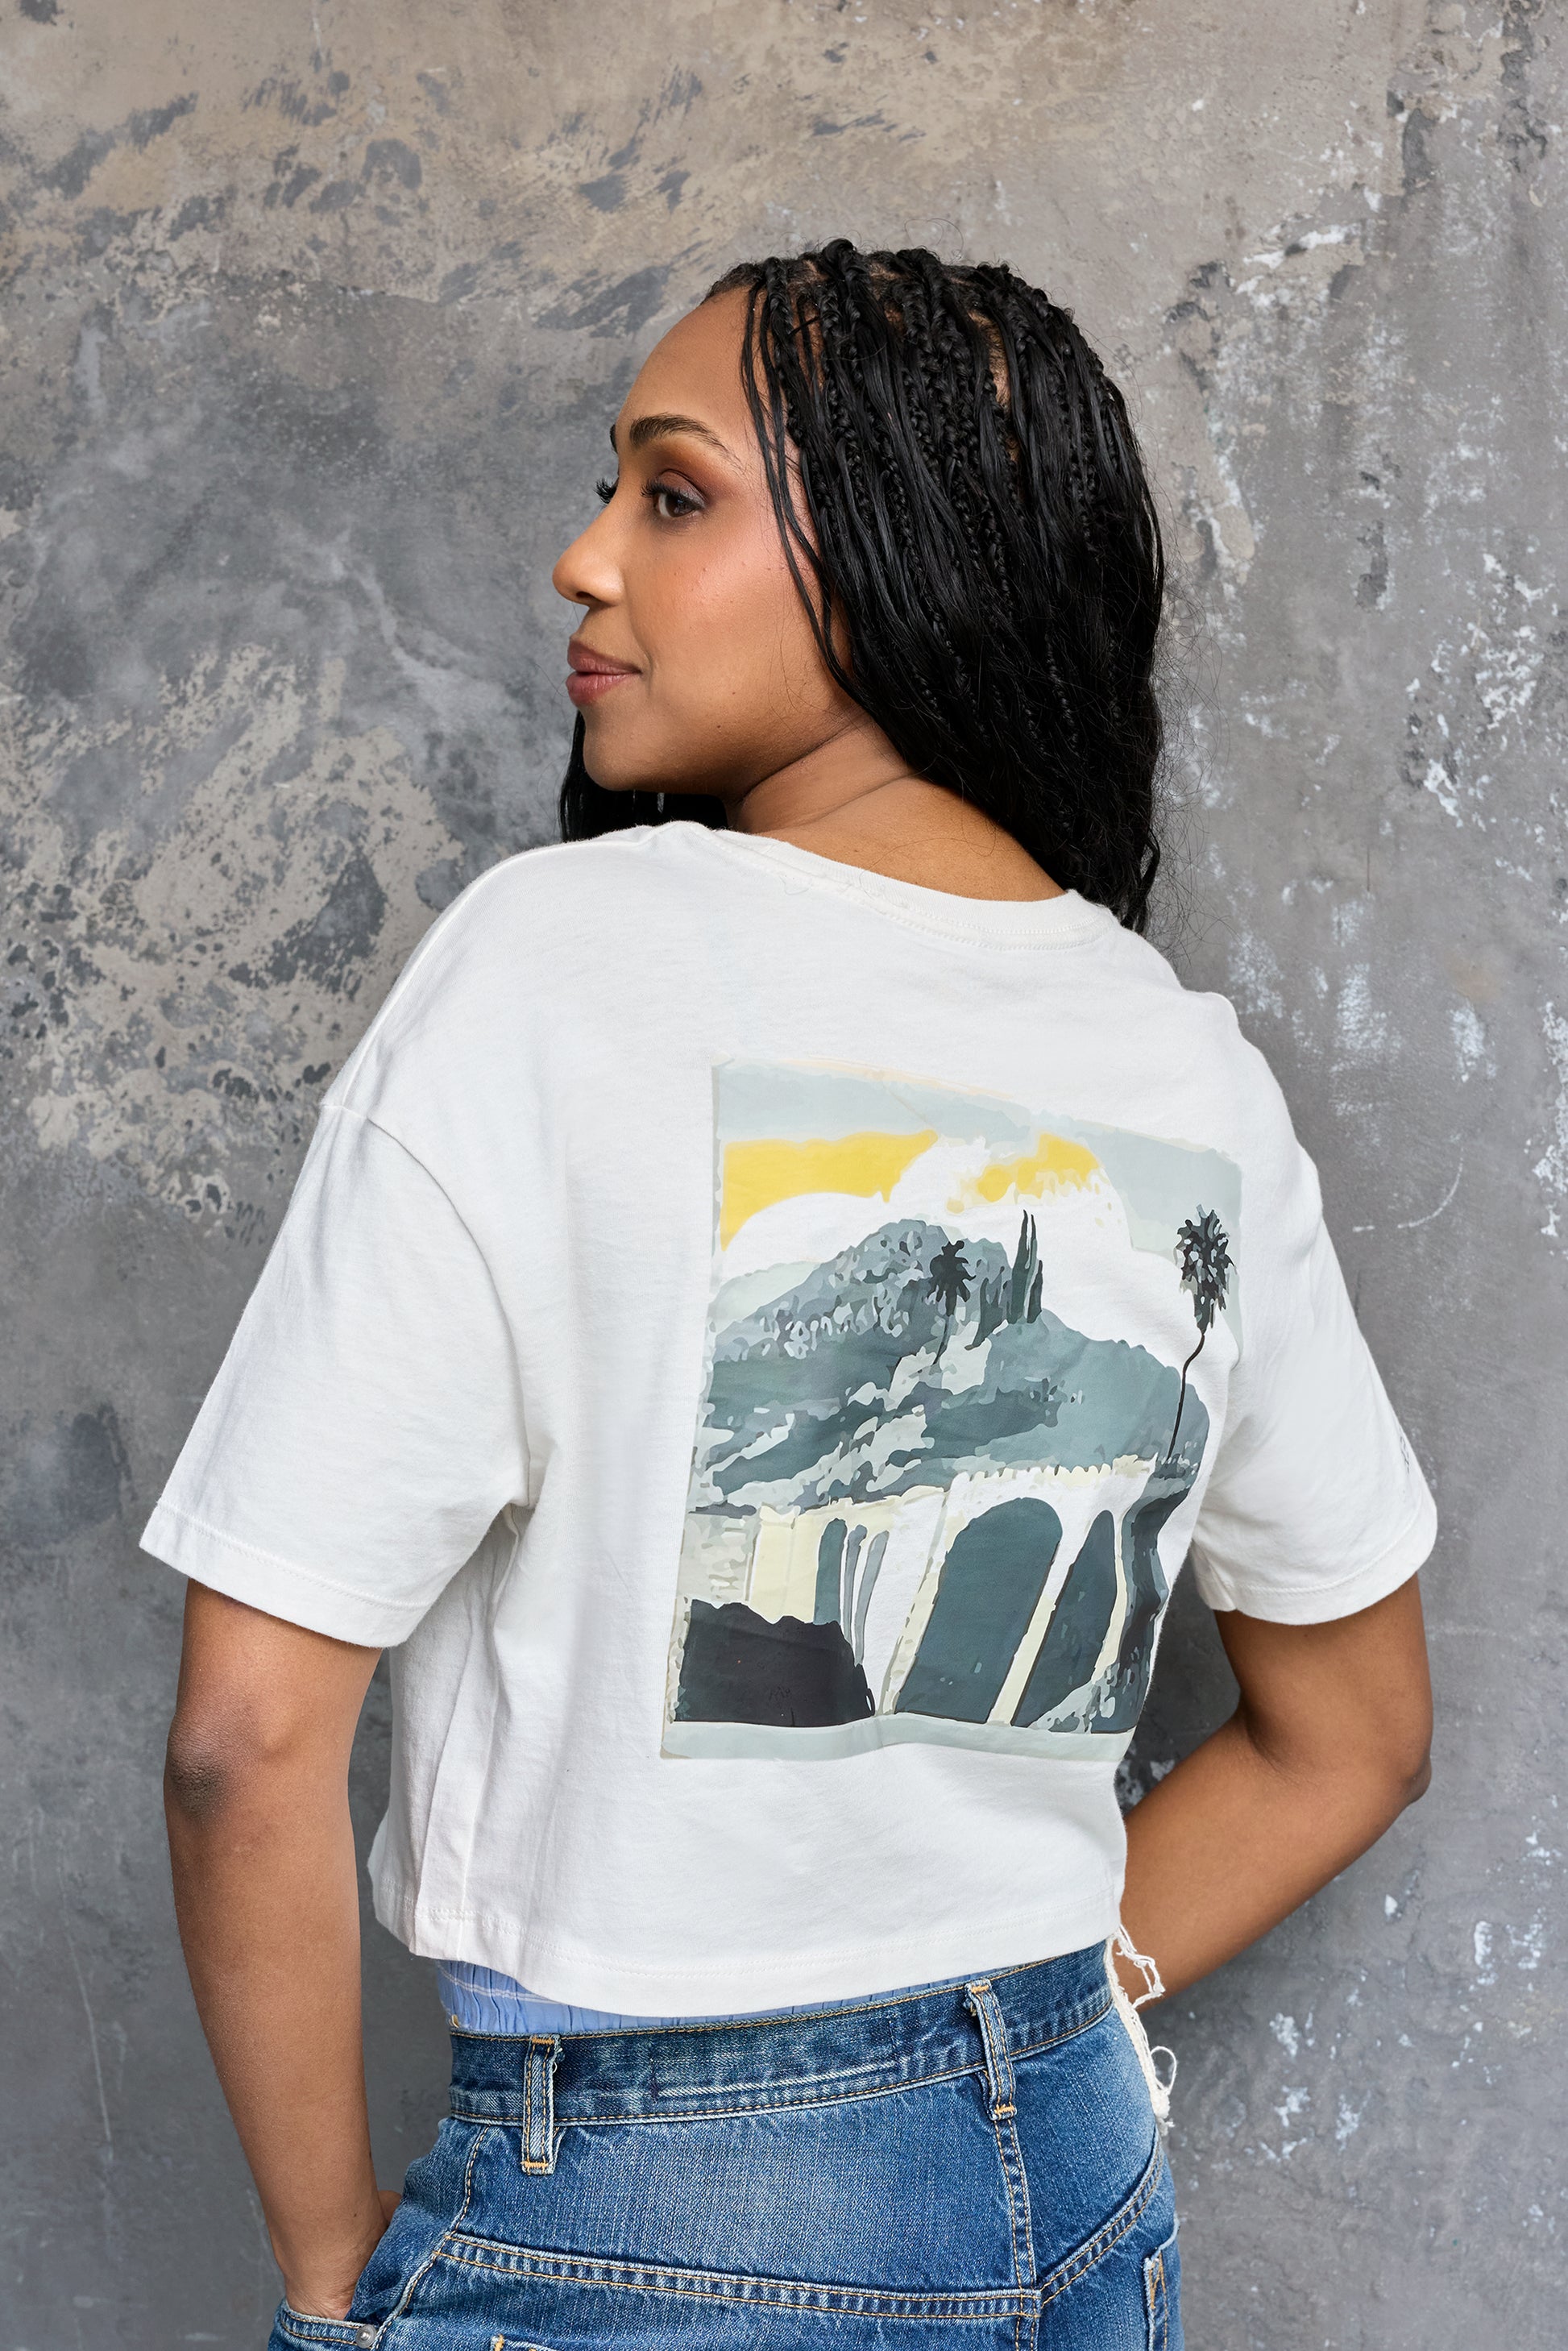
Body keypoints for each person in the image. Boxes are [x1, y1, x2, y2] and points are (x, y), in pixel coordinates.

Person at [151, 241, 1434, 2350]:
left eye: (673, 495)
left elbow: (243, 1742)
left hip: (655, 2214)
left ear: (899, 552)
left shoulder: (552, 968)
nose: (584, 559)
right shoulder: (1182, 1065)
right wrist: (1007, 2040)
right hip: (1077, 2188)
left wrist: (322, 2283)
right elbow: (1354, 1735)